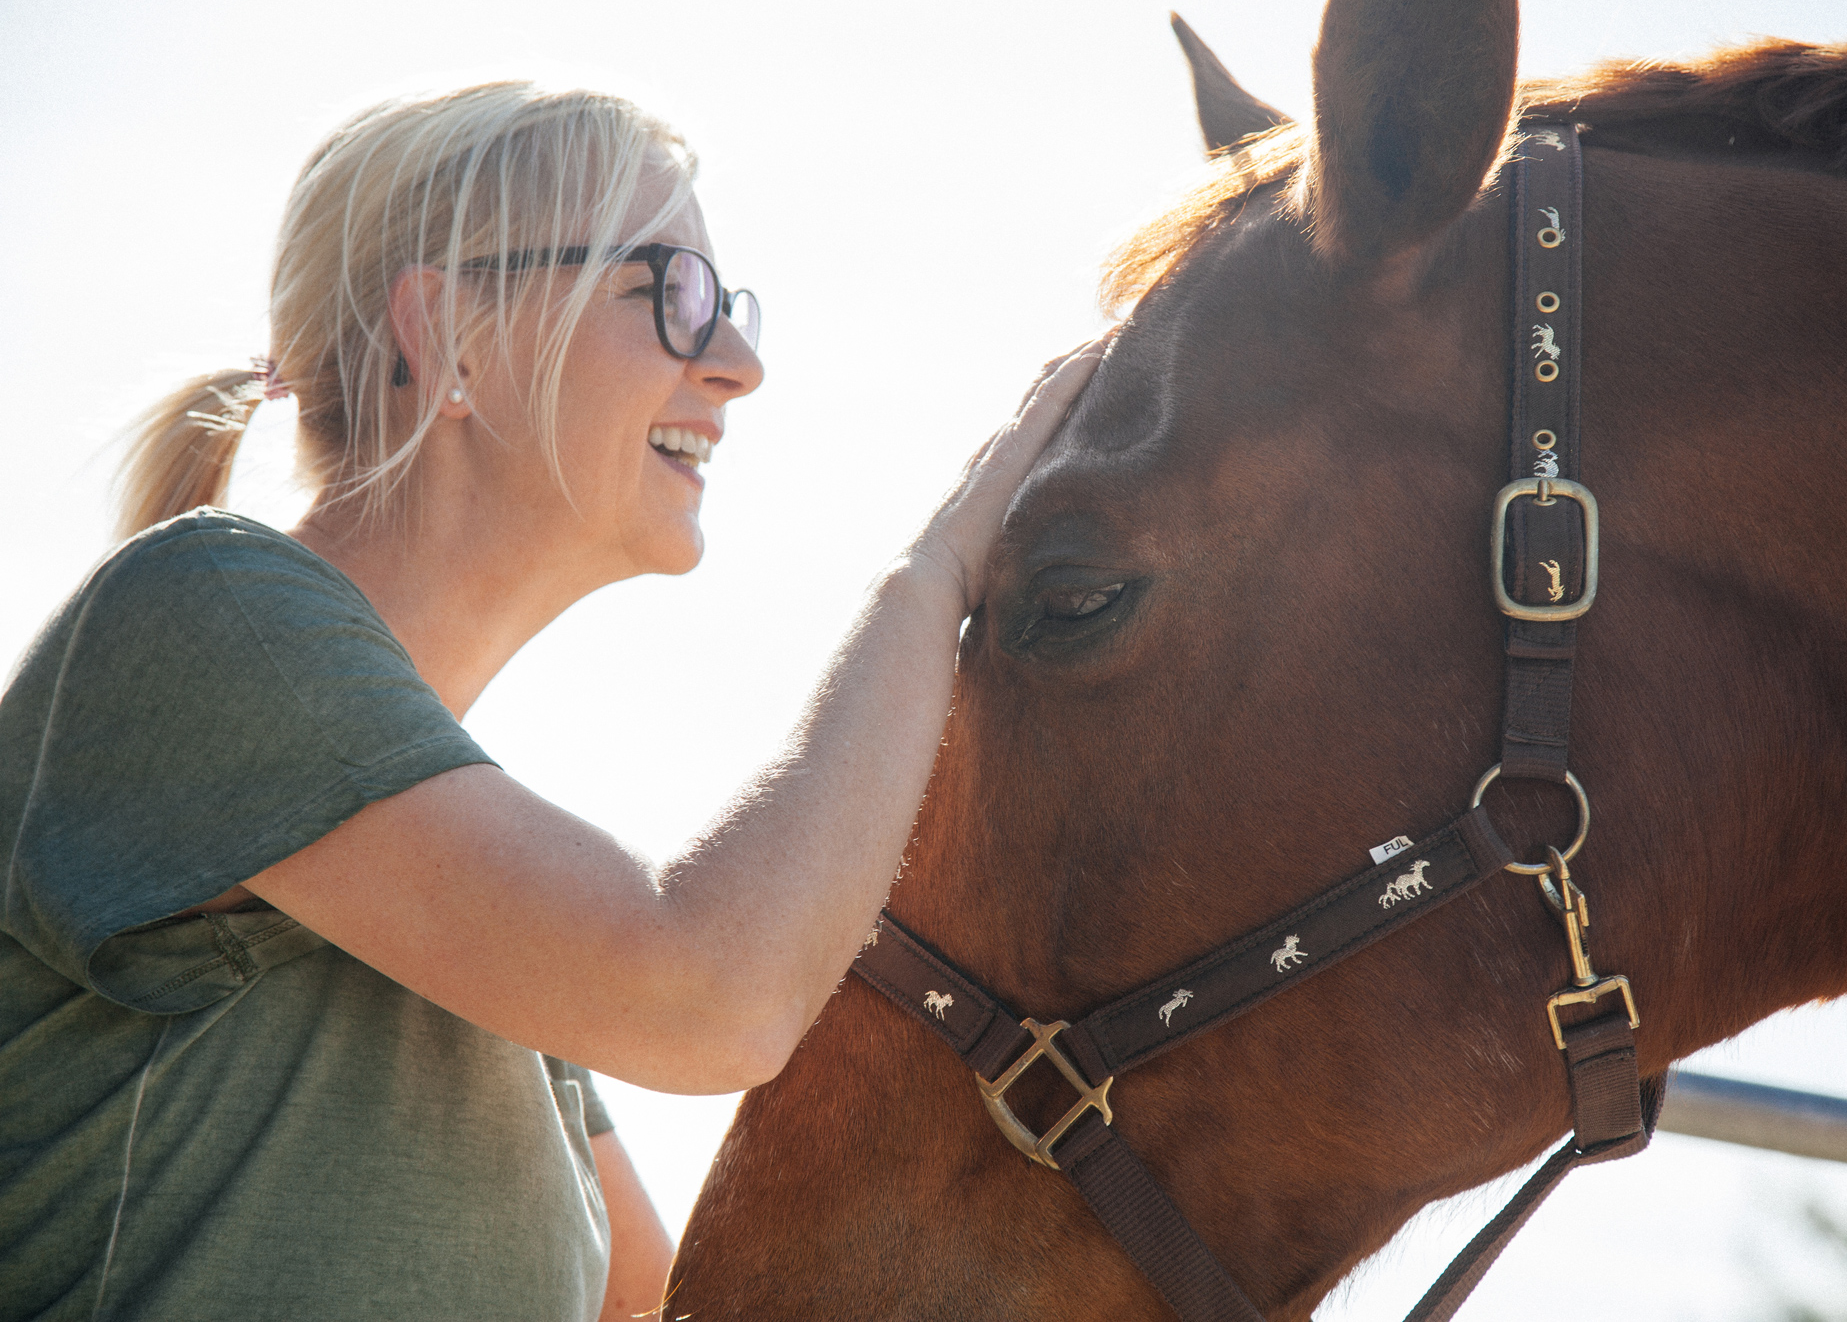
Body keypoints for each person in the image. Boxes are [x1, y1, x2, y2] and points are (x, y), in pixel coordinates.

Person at [0, 80, 1103, 1322]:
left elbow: (645, 1295)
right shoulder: (207, 610)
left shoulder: (465, 887)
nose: (737, 365)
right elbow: (712, 997)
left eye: (725, 306)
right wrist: (934, 573)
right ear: (452, 330)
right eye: (672, 293)